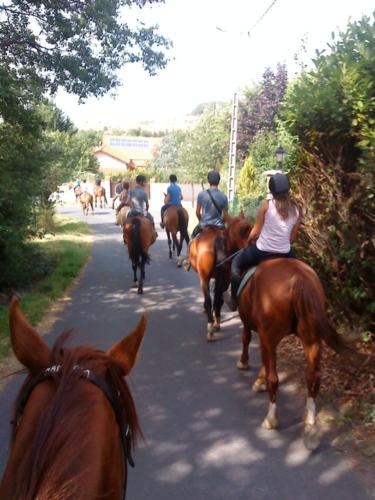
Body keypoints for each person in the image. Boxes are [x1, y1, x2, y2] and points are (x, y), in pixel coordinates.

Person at [224, 172, 301, 311]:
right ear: (288, 189)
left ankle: (234, 300)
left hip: (262, 251)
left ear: (272, 191)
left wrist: (249, 240)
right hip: (285, 253)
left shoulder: (267, 205)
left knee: (235, 264)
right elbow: (292, 238)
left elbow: (255, 232)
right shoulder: (296, 210)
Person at [191, 170, 229, 238]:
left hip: (204, 225)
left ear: (208, 181)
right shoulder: (224, 196)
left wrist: (201, 221)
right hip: (219, 226)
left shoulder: (201, 194)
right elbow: (225, 216)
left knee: (192, 240)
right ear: (219, 181)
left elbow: (197, 212)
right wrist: (221, 222)